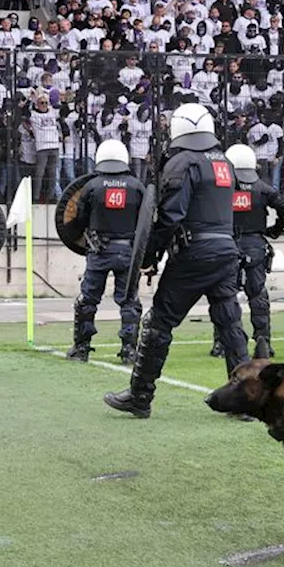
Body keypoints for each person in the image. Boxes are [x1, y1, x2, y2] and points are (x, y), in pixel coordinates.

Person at [103, 103, 250, 419]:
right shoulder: (223, 161)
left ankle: (140, 396)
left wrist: (150, 255)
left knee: (158, 324)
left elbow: (169, 215)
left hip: (193, 254)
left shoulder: (183, 162)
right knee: (230, 324)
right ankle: (245, 403)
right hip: (226, 251)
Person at [63, 139, 144, 364]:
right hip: (128, 252)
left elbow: (79, 219)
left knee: (87, 301)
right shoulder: (137, 186)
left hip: (99, 252)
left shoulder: (92, 186)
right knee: (129, 301)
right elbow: (146, 222)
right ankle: (129, 350)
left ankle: (82, 348)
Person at [224, 143, 284, 359]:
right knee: (257, 295)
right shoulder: (263, 188)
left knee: (225, 296)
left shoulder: (221, 189)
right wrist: (274, 230)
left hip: (227, 245)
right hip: (255, 245)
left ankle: (224, 342)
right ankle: (263, 340)